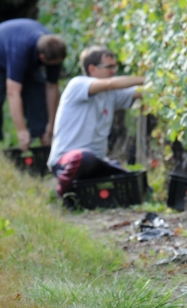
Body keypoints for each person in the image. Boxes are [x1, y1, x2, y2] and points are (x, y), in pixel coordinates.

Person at [46, 46, 144, 199]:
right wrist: (145, 79)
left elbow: (139, 93)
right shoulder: (77, 84)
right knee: (84, 157)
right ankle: (61, 194)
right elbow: (110, 83)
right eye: (109, 67)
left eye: (114, 67)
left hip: (97, 162)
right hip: (66, 160)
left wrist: (162, 86)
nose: (113, 71)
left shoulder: (110, 94)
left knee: (133, 179)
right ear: (92, 69)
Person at [0, 18, 66, 151]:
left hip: (26, 57)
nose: (55, 67)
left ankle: (45, 143)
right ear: (42, 58)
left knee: (37, 95)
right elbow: (13, 92)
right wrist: (21, 131)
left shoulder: (55, 50)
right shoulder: (20, 50)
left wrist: (51, 125)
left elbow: (52, 86)